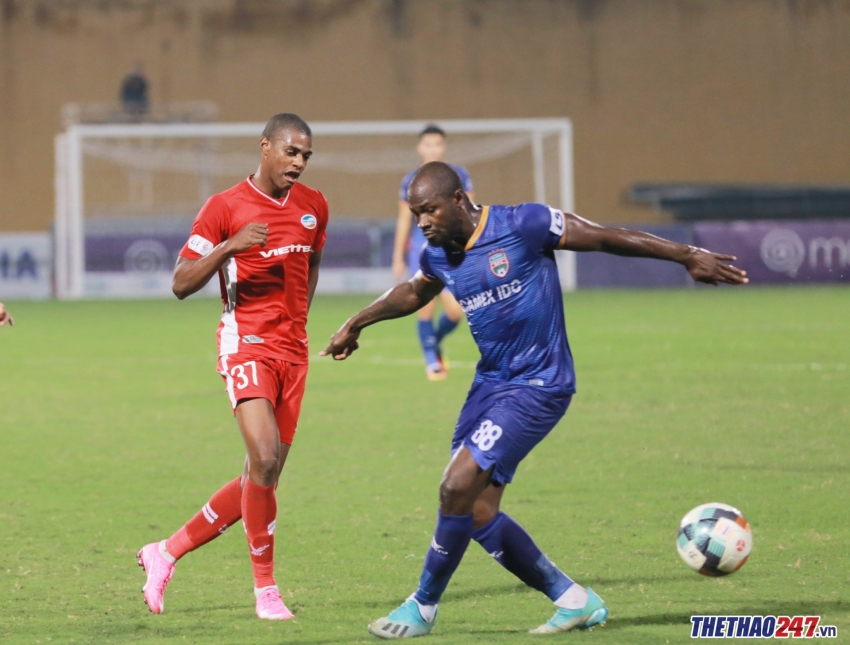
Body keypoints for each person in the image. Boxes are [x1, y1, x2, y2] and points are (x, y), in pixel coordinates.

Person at [321, 162, 748, 638]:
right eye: (414, 213)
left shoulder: (523, 224)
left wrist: (686, 254)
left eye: (428, 211)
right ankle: (574, 600)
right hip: (490, 384)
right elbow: (413, 291)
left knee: (455, 487)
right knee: (476, 509)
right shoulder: (440, 253)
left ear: (457, 200)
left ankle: (422, 606)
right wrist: (356, 323)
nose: (422, 222)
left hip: (539, 384)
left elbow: (604, 236)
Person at [137, 113, 328, 621]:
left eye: (306, 155)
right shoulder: (224, 207)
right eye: (291, 152)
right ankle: (266, 590)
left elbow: (311, 263)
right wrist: (229, 247)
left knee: (262, 477)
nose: (299, 163)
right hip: (245, 343)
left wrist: (300, 320)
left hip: (294, 351)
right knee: (263, 460)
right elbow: (180, 282)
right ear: (265, 148)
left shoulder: (314, 207)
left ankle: (166, 551)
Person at [393, 125, 474, 381]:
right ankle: (432, 363)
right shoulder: (411, 180)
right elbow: (404, 220)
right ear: (420, 148)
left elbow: (470, 212)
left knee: (455, 312)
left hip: (452, 249)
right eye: (427, 144)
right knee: (425, 306)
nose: (433, 149)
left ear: (444, 146)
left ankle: (435, 342)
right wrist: (398, 257)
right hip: (422, 249)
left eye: (437, 144)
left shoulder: (458, 175)